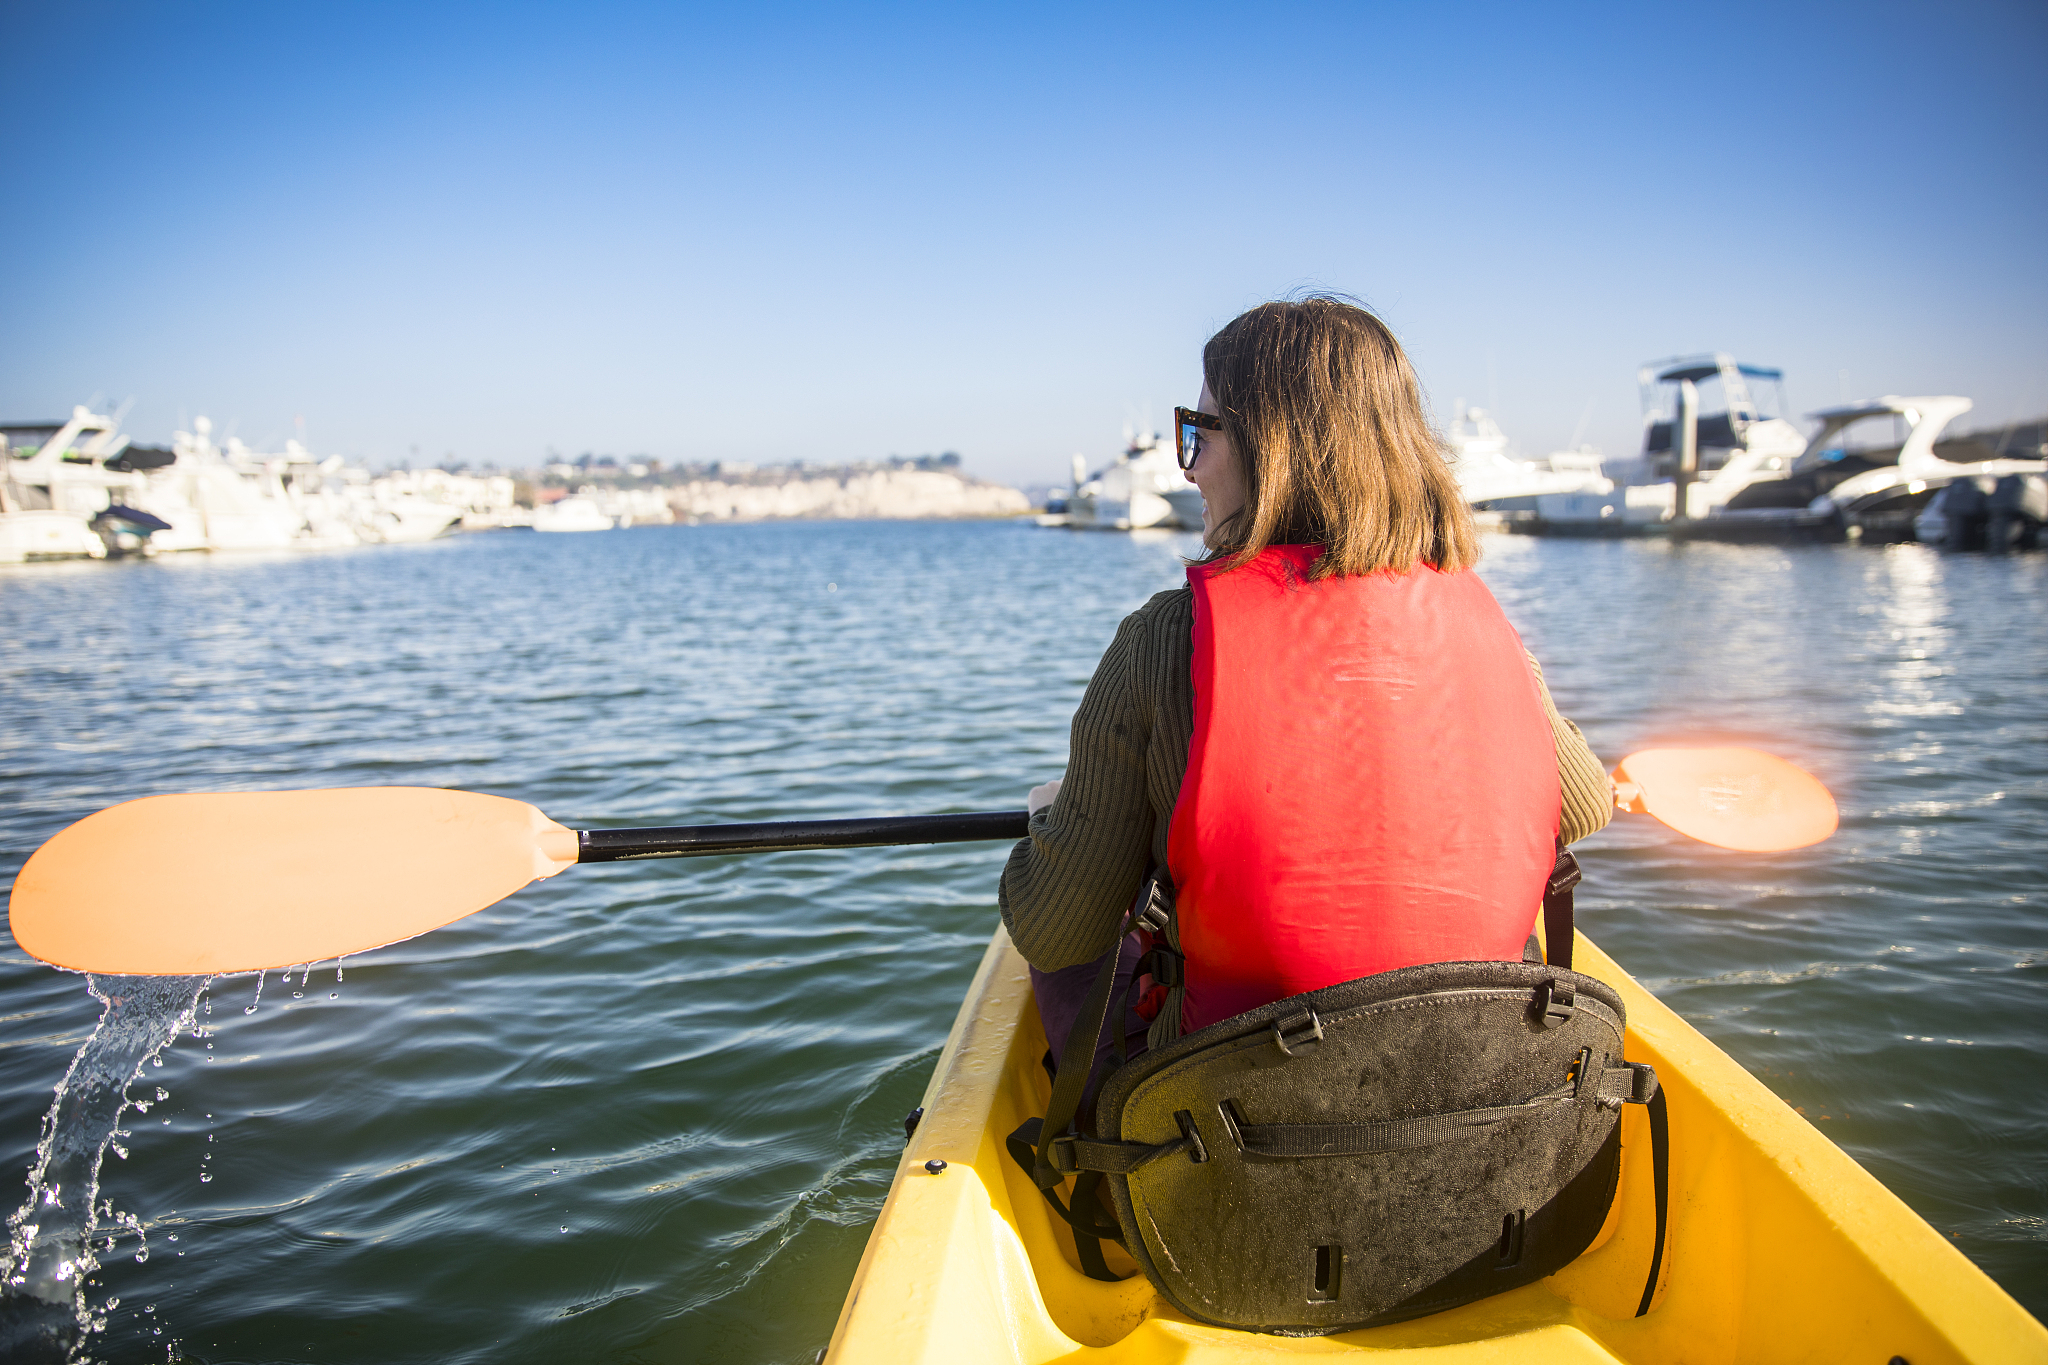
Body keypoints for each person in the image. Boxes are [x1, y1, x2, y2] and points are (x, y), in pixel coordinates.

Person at [999, 296, 1611, 1106]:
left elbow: (1054, 928)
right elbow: (1586, 802)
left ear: (1268, 450)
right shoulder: (1483, 622)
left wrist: (1055, 822)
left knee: (1088, 938)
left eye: (1201, 430)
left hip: (1231, 1172)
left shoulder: (1162, 640)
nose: (1190, 467)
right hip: (1482, 1134)